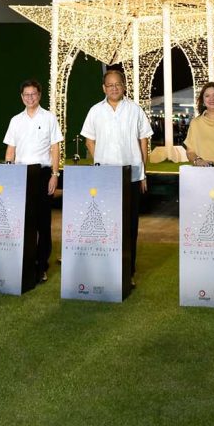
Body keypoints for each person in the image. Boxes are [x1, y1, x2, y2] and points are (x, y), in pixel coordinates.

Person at [80, 68, 153, 285]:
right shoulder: (95, 111)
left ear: (123, 86)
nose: (113, 88)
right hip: (104, 178)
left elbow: (143, 141)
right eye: (109, 85)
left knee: (130, 225)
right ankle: (106, 268)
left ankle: (128, 271)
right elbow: (89, 140)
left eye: (117, 84)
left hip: (130, 175)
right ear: (104, 88)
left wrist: (143, 173)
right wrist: (99, 161)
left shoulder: (135, 110)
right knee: (104, 224)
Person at [3, 79, 63, 283]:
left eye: (33, 94)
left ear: (39, 95)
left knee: (43, 223)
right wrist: (8, 173)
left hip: (42, 173)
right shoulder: (15, 120)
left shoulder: (49, 118)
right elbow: (10, 150)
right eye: (26, 95)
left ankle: (41, 265)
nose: (30, 98)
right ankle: (24, 263)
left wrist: (55, 175)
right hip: (20, 175)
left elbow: (55, 148)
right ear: (22, 97)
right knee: (21, 222)